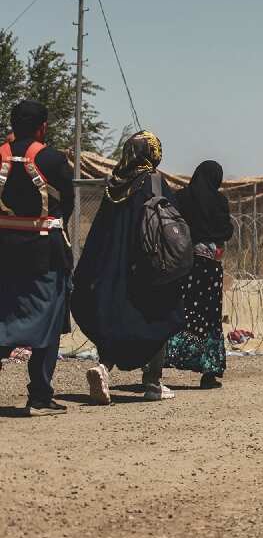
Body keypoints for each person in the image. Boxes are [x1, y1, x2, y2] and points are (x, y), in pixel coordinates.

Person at [72, 131, 185, 402]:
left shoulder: (115, 184)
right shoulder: (153, 181)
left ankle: (104, 369)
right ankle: (153, 383)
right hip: (147, 263)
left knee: (117, 317)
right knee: (162, 313)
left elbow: (100, 230)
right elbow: (168, 219)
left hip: (113, 265)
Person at [0, 100, 75, 415]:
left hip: (4, 250)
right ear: (42, 127)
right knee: (47, 318)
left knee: (5, 314)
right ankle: (40, 395)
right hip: (43, 252)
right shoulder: (52, 159)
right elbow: (68, 200)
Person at [162, 161, 234, 388]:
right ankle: (208, 372)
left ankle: (158, 367)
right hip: (210, 269)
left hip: (185, 265)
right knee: (209, 316)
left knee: (178, 310)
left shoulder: (182, 197)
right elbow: (227, 230)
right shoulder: (220, 201)